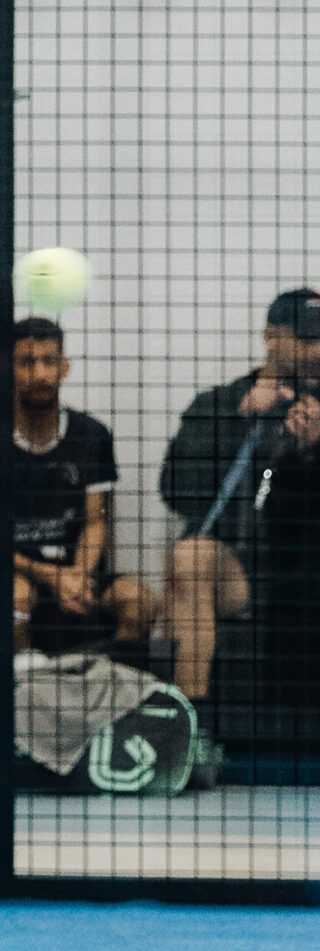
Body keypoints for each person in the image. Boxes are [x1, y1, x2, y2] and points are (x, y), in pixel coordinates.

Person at [0, 317, 156, 652]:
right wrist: (50, 575)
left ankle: (105, 681)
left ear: (64, 368)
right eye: (26, 362)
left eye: (49, 361)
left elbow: (97, 521)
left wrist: (76, 576)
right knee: (16, 598)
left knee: (140, 601)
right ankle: (26, 685)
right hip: (10, 573)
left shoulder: (92, 435)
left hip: (75, 571)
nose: (40, 374)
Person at [160, 287, 320, 702]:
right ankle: (190, 719)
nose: (317, 351)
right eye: (306, 339)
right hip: (240, 568)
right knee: (188, 557)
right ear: (270, 336)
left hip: (304, 564)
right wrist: (239, 420)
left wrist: (311, 454)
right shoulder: (221, 403)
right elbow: (174, 490)